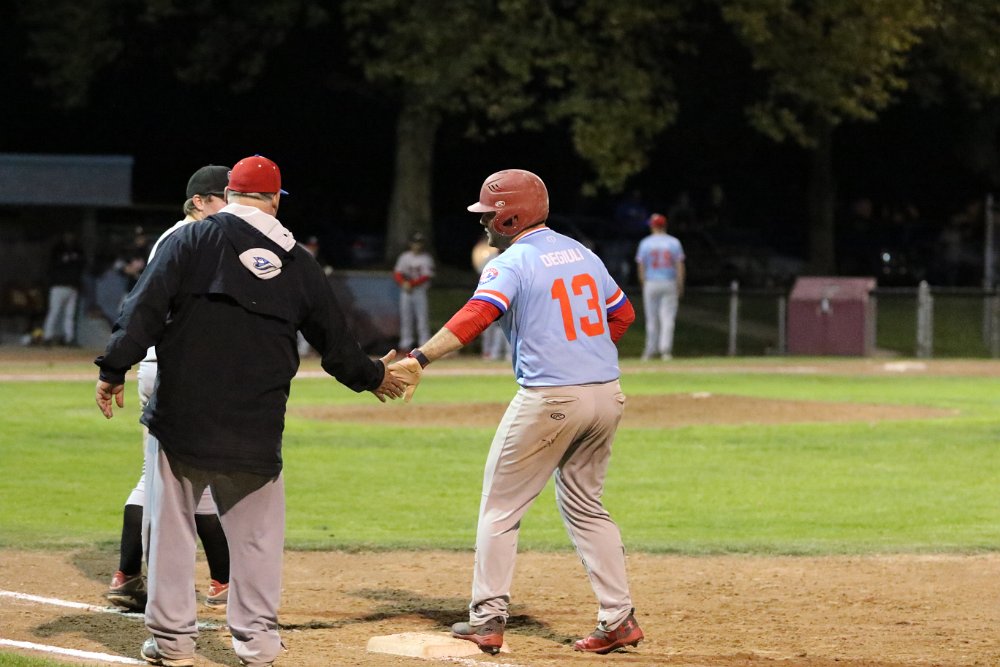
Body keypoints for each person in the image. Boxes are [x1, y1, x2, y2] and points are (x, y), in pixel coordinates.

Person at [94, 155, 406, 667]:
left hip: (183, 416)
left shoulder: (188, 240)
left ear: (230, 194)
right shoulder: (298, 259)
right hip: (258, 422)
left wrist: (113, 368)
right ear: (275, 199)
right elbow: (336, 342)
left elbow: (143, 308)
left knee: (171, 532)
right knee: (258, 541)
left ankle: (172, 644)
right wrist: (374, 377)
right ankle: (257, 645)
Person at [389, 169, 642, 656]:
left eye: (489, 214)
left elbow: (478, 314)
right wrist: (584, 355)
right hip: (606, 394)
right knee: (587, 507)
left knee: (500, 509)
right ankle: (619, 618)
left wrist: (419, 358)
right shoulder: (582, 253)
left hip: (551, 398)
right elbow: (623, 314)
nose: (483, 222)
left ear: (510, 218)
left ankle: (487, 618)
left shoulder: (513, 261)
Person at [105, 165, 233, 614]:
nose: (232, 204)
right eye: (224, 196)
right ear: (199, 201)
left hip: (160, 365)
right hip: (182, 369)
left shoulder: (178, 237)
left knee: (163, 477)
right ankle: (220, 581)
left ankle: (129, 576)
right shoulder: (197, 239)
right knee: (197, 480)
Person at [635, 213, 685, 361]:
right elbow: (679, 265)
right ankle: (665, 351)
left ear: (653, 226)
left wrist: (643, 282)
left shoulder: (645, 243)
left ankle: (650, 350)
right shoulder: (674, 242)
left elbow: (641, 266)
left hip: (651, 282)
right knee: (667, 318)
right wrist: (680, 284)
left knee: (651, 318)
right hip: (669, 281)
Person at [41, 231, 85, 346]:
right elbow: (52, 266)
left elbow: (81, 265)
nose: (69, 237)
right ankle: (47, 336)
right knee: (54, 312)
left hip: (72, 286)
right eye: (67, 235)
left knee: (70, 314)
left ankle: (69, 338)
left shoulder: (77, 250)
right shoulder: (57, 250)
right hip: (58, 286)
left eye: (71, 235)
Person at [393, 230, 435, 353]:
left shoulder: (426, 258)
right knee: (406, 319)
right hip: (406, 291)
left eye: (419, 243)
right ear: (410, 244)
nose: (417, 245)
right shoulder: (404, 257)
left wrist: (410, 284)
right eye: (415, 242)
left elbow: (426, 276)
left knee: (422, 318)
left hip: (419, 291)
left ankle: (424, 345)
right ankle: (405, 345)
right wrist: (403, 283)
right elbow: (397, 273)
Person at [470, 238, 510, 361]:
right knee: (488, 326)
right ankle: (489, 352)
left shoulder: (511, 257)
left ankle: (505, 353)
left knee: (505, 326)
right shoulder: (491, 259)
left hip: (506, 295)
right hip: (490, 295)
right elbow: (481, 274)